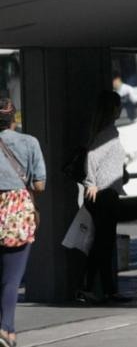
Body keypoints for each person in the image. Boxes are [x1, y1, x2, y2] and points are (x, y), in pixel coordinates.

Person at [0, 97, 45, 347]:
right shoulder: (29, 143)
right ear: (14, 119)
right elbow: (39, 184)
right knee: (11, 276)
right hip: (17, 211)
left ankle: (8, 330)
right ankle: (6, 329)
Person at [79, 91, 131, 304]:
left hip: (105, 192)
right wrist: (91, 183)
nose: (120, 110)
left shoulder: (103, 131)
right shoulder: (109, 132)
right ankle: (92, 287)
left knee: (102, 244)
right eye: (118, 106)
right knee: (103, 244)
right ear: (113, 109)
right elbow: (92, 155)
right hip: (104, 193)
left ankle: (99, 288)